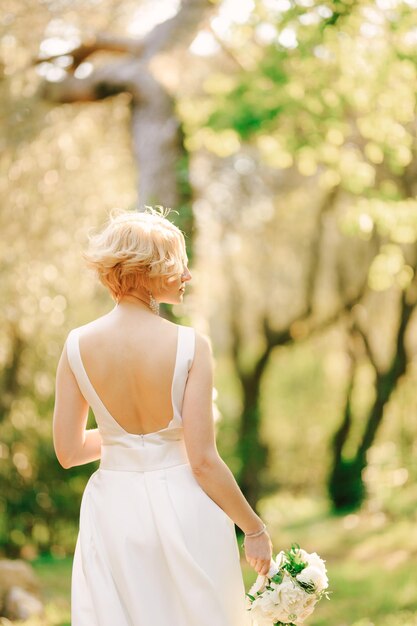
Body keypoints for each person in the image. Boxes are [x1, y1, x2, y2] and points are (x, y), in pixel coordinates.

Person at [52, 206, 272, 626]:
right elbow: (203, 461)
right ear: (141, 271)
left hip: (113, 511)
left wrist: (123, 438)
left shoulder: (76, 346)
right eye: (176, 265)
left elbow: (69, 451)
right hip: (186, 507)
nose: (187, 276)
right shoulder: (191, 345)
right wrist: (255, 530)